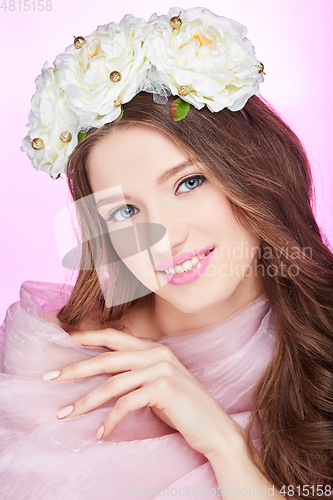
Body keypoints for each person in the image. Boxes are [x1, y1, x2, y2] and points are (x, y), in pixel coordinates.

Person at [0, 6, 332, 499]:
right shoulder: (55, 360)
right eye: (124, 212)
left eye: (188, 182)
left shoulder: (320, 350)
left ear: (253, 173)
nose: (162, 237)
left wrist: (223, 443)